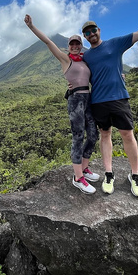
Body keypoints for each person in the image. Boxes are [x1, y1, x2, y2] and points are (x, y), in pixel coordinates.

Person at [81, 0, 138, 197]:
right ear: (84, 37)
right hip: (98, 101)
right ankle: (109, 173)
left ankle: (135, 175)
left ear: (99, 30)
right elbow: (75, 69)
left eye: (93, 30)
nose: (91, 34)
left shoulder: (115, 44)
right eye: (87, 33)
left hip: (118, 98)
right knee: (105, 135)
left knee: (127, 134)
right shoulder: (86, 56)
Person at [24, 14, 100, 194]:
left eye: (77, 44)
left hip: (88, 99)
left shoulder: (86, 60)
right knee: (78, 137)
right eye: (72, 44)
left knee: (93, 135)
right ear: (68, 46)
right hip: (75, 101)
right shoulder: (66, 60)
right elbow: (48, 42)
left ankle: (85, 168)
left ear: (81, 46)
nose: (74, 46)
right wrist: (32, 27)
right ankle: (77, 177)